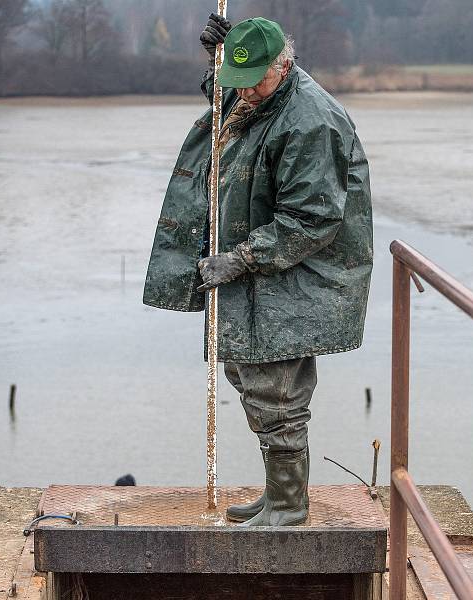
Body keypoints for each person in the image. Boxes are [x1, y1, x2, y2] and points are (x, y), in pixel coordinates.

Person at [143, 15, 372, 526]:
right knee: (250, 378)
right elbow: (228, 98)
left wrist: (240, 258)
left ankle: (289, 507)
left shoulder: (311, 120)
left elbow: (312, 218)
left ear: (283, 66)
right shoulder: (259, 94)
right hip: (264, 275)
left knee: (279, 393)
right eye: (235, 83)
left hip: (298, 278)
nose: (240, 95)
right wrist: (217, 63)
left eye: (252, 83)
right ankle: (276, 498)